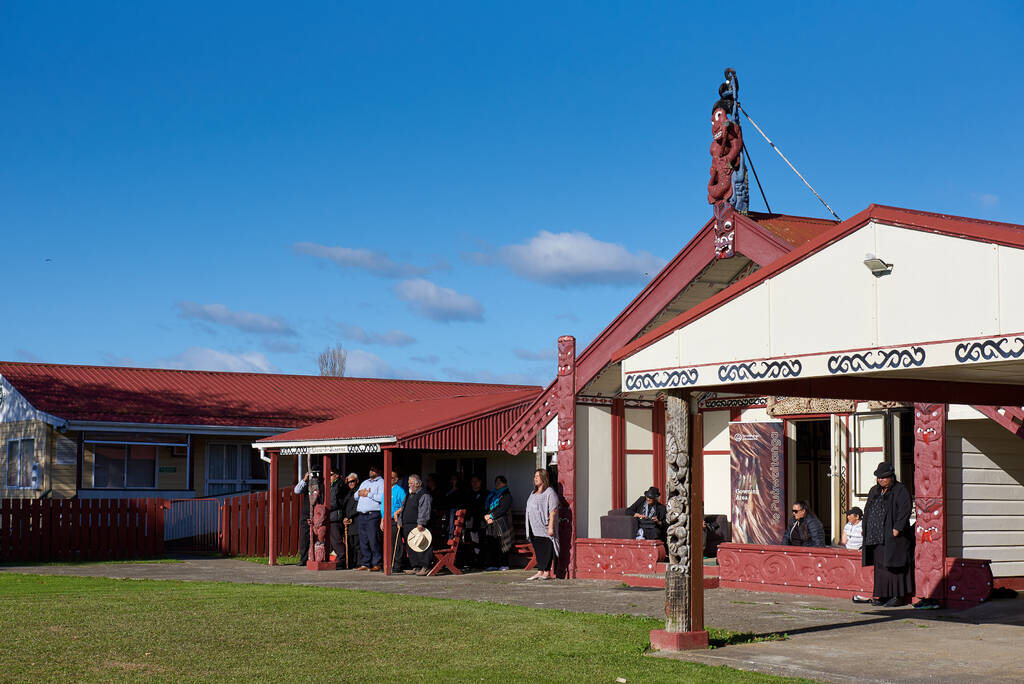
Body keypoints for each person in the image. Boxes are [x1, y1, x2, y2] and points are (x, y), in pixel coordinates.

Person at [861, 463, 914, 607]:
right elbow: (867, 510)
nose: (881, 480)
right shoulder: (874, 491)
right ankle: (883, 595)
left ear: (891, 477)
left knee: (893, 565)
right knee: (880, 567)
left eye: (884, 478)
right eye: (879, 478)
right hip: (876, 536)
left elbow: (905, 510)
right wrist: (864, 528)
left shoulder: (900, 490)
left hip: (893, 536)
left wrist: (897, 528)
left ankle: (898, 596)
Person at [525, 469, 560, 581]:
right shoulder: (533, 493)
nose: (535, 478)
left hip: (544, 527)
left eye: (538, 476)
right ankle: (540, 571)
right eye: (534, 476)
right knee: (538, 549)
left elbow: (553, 510)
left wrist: (550, 527)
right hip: (534, 527)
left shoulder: (549, 492)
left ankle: (546, 572)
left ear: (544, 478)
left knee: (546, 549)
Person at [398, 474, 434, 576]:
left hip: (418, 525)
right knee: (411, 546)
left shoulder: (424, 494)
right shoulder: (409, 494)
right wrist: (400, 521)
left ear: (417, 484)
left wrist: (421, 523)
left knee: (422, 546)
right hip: (407, 525)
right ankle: (415, 566)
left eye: (410, 483)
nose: (409, 485)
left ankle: (425, 567)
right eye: (409, 483)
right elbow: (403, 508)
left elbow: (424, 510)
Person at [354, 465, 385, 571]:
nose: (371, 471)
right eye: (370, 469)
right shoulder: (365, 482)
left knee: (373, 540)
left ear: (379, 471)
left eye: (374, 469)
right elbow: (355, 496)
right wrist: (360, 493)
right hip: (362, 515)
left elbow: (382, 498)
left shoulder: (381, 483)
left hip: (373, 515)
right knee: (363, 540)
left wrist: (369, 494)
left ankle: (377, 563)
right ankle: (365, 563)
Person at [483, 475, 513, 571]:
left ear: (505, 483)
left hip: (502, 523)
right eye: (496, 482)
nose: (497, 484)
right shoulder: (493, 495)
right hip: (492, 524)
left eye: (499, 482)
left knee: (502, 544)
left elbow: (502, 509)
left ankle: (504, 564)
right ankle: (494, 564)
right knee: (492, 544)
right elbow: (490, 508)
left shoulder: (506, 495)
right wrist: (487, 516)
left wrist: (491, 516)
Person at [462, 475, 489, 568]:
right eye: (472, 481)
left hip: (481, 523)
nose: (474, 483)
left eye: (476, 481)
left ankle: (481, 562)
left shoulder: (485, 493)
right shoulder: (468, 494)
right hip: (470, 523)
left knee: (481, 542)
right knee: (470, 543)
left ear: (480, 482)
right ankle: (471, 561)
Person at [293, 470, 315, 566]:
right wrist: (305, 479)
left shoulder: (322, 484)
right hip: (306, 513)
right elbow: (296, 491)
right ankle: (304, 559)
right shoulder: (308, 483)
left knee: (319, 537)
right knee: (304, 538)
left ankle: (317, 557)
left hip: (318, 513)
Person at [339, 472, 361, 568]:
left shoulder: (359, 492)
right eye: (348, 482)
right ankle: (350, 562)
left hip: (356, 520)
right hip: (347, 521)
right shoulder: (347, 492)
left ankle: (358, 563)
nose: (350, 484)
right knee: (349, 543)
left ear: (357, 481)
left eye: (352, 481)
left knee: (357, 544)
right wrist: (344, 517)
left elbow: (357, 506)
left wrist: (349, 516)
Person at [388, 470, 408, 571]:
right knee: (388, 542)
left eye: (390, 478)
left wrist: (397, 512)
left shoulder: (399, 490)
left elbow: (404, 504)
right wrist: (382, 519)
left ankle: (397, 564)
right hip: (387, 520)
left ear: (395, 480)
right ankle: (389, 563)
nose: (388, 479)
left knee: (396, 542)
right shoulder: (386, 489)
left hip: (395, 519)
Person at [327, 470, 346, 569]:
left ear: (337, 475)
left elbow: (335, 501)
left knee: (336, 539)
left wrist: (325, 506)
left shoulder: (339, 485)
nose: (328, 477)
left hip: (335, 516)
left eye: (330, 475)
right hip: (329, 516)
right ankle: (334, 558)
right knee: (330, 540)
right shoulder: (330, 485)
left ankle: (342, 560)